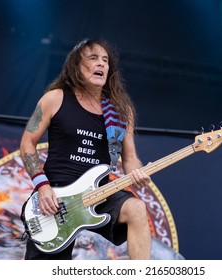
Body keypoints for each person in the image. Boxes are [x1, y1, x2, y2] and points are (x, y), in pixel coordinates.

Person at [19, 38, 152, 260]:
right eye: (93, 58)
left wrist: (137, 173)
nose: (101, 64)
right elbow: (27, 144)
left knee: (136, 209)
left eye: (105, 60)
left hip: (100, 192)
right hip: (56, 197)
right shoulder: (55, 98)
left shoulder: (121, 111)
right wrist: (42, 187)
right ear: (77, 66)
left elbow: (130, 158)